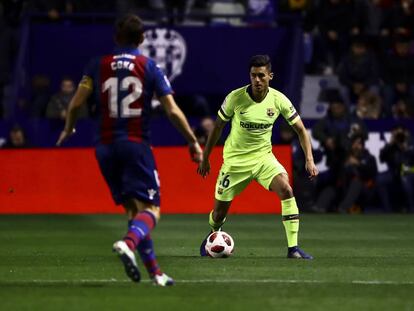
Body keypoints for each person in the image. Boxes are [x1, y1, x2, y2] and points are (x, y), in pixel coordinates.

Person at [56, 14, 203, 286]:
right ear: (142, 39)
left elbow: (75, 104)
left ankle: (155, 273)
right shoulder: (149, 67)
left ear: (115, 38)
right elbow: (171, 110)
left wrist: (68, 128)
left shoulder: (96, 65)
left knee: (133, 211)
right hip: (135, 144)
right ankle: (128, 243)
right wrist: (192, 141)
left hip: (104, 147)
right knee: (152, 209)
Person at [197, 55, 319, 259]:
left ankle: (293, 249)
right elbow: (217, 127)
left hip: (264, 159)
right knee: (218, 214)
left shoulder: (279, 99)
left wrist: (309, 159)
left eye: (261, 75)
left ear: (270, 76)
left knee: (287, 190)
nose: (257, 80)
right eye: (253, 75)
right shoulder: (235, 98)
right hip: (235, 163)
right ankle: (212, 234)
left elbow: (300, 130)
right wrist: (205, 157)